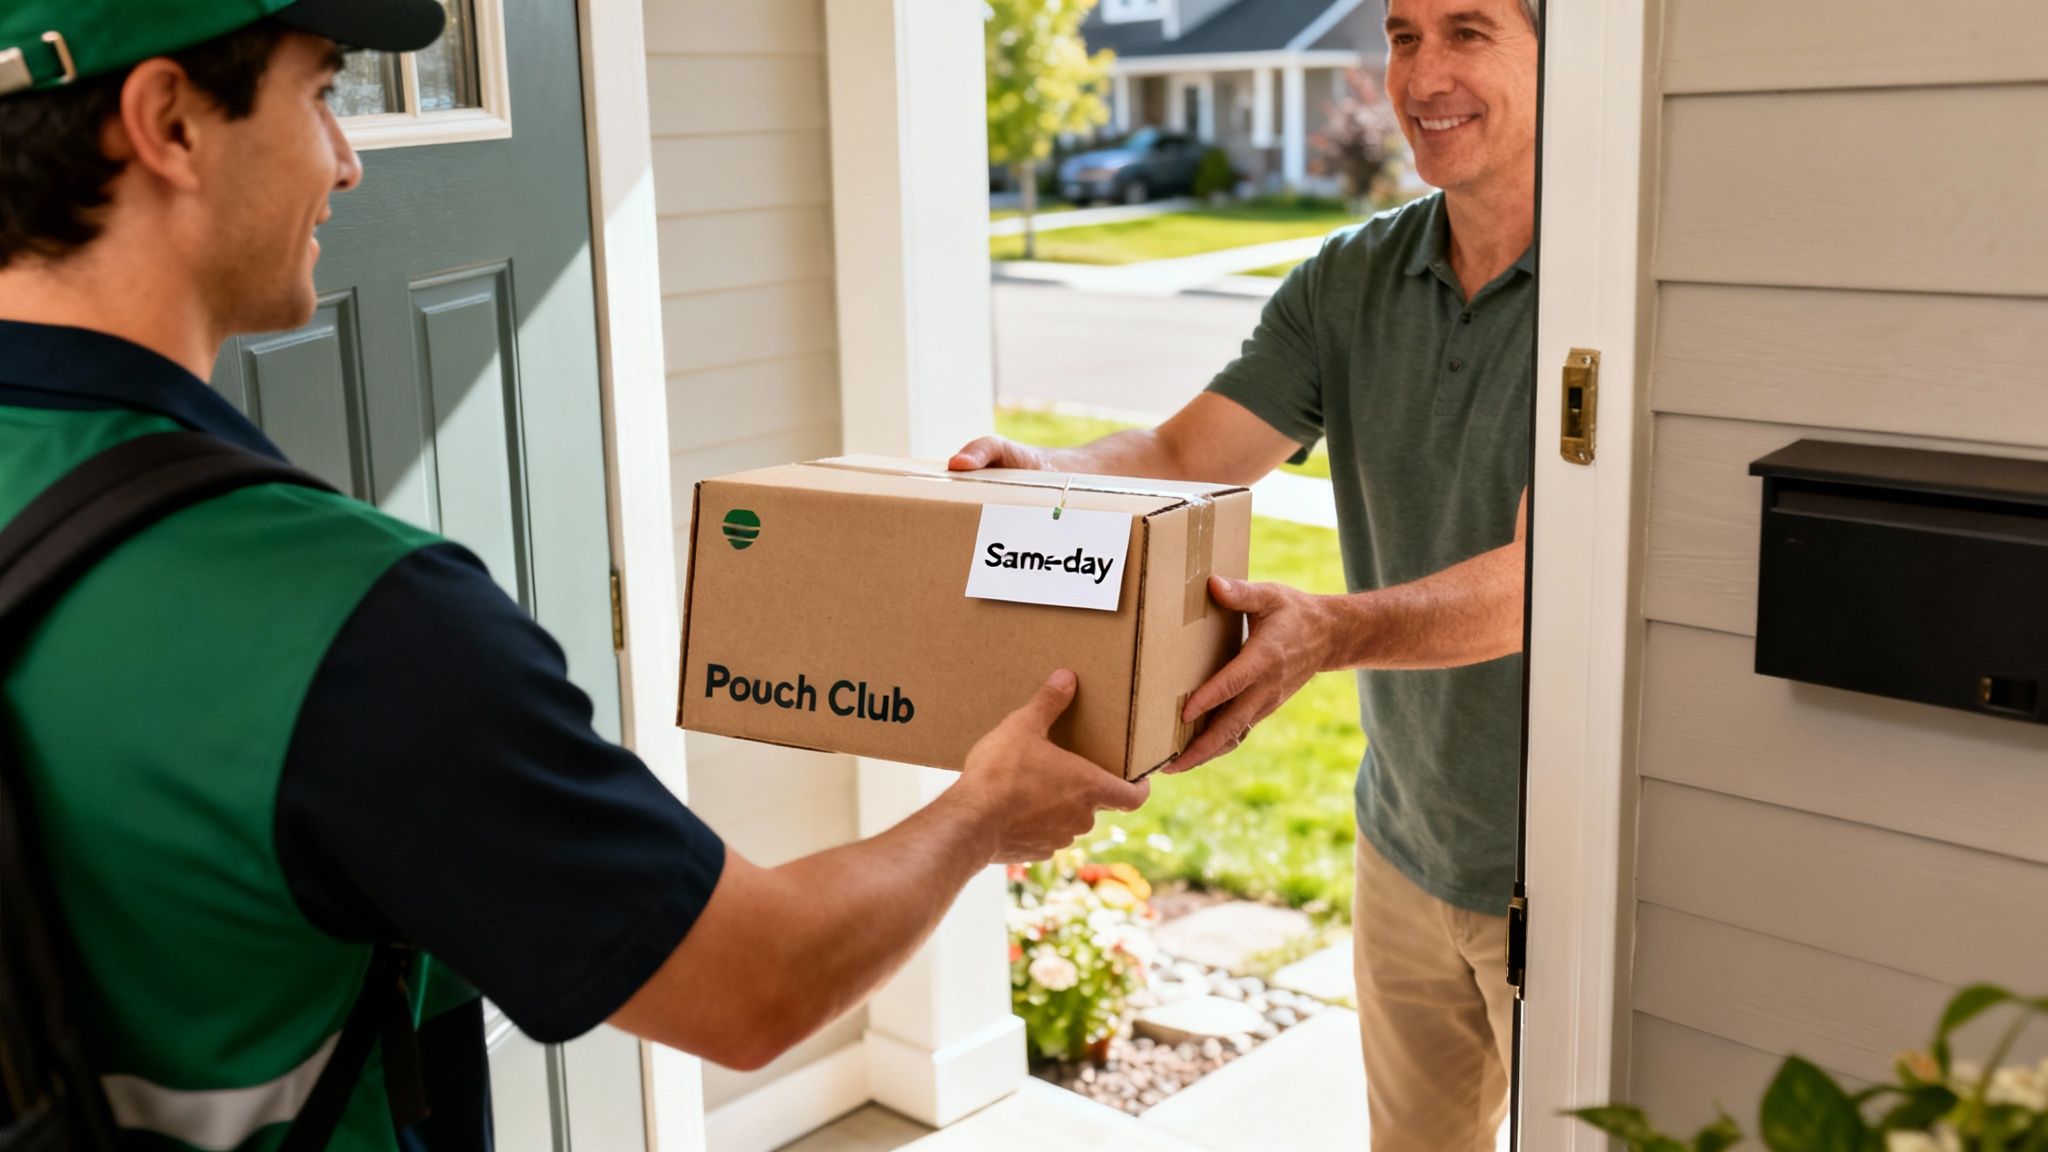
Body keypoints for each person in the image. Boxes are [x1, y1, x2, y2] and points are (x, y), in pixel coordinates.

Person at [0, 3, 1147, 1148]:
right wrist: (983, 813)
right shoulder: (342, 619)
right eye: (317, 93)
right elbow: (758, 984)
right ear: (167, 123)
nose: (347, 162)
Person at [951, 0, 1539, 1146]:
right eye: (1402, 33)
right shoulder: (1352, 278)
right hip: (1405, 840)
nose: (1422, 72)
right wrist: (1045, 467)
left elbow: (1536, 583)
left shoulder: (1606, 299)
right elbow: (1182, 456)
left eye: (1467, 32)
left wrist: (1325, 630)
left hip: (1560, 862)